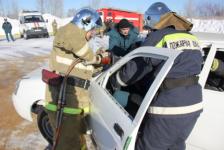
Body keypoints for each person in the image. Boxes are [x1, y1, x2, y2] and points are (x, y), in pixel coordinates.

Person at [107, 2, 203, 150]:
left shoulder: (159, 36)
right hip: (194, 103)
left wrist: (116, 79)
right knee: (176, 145)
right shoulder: (191, 37)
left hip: (170, 106)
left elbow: (138, 65)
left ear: (153, 20)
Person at [44, 7, 107, 150]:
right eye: (92, 31)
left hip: (73, 103)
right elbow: (85, 53)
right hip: (64, 105)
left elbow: (83, 67)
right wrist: (97, 58)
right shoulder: (68, 32)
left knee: (77, 143)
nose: (92, 35)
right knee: (68, 145)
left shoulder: (78, 42)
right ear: (84, 24)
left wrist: (99, 63)